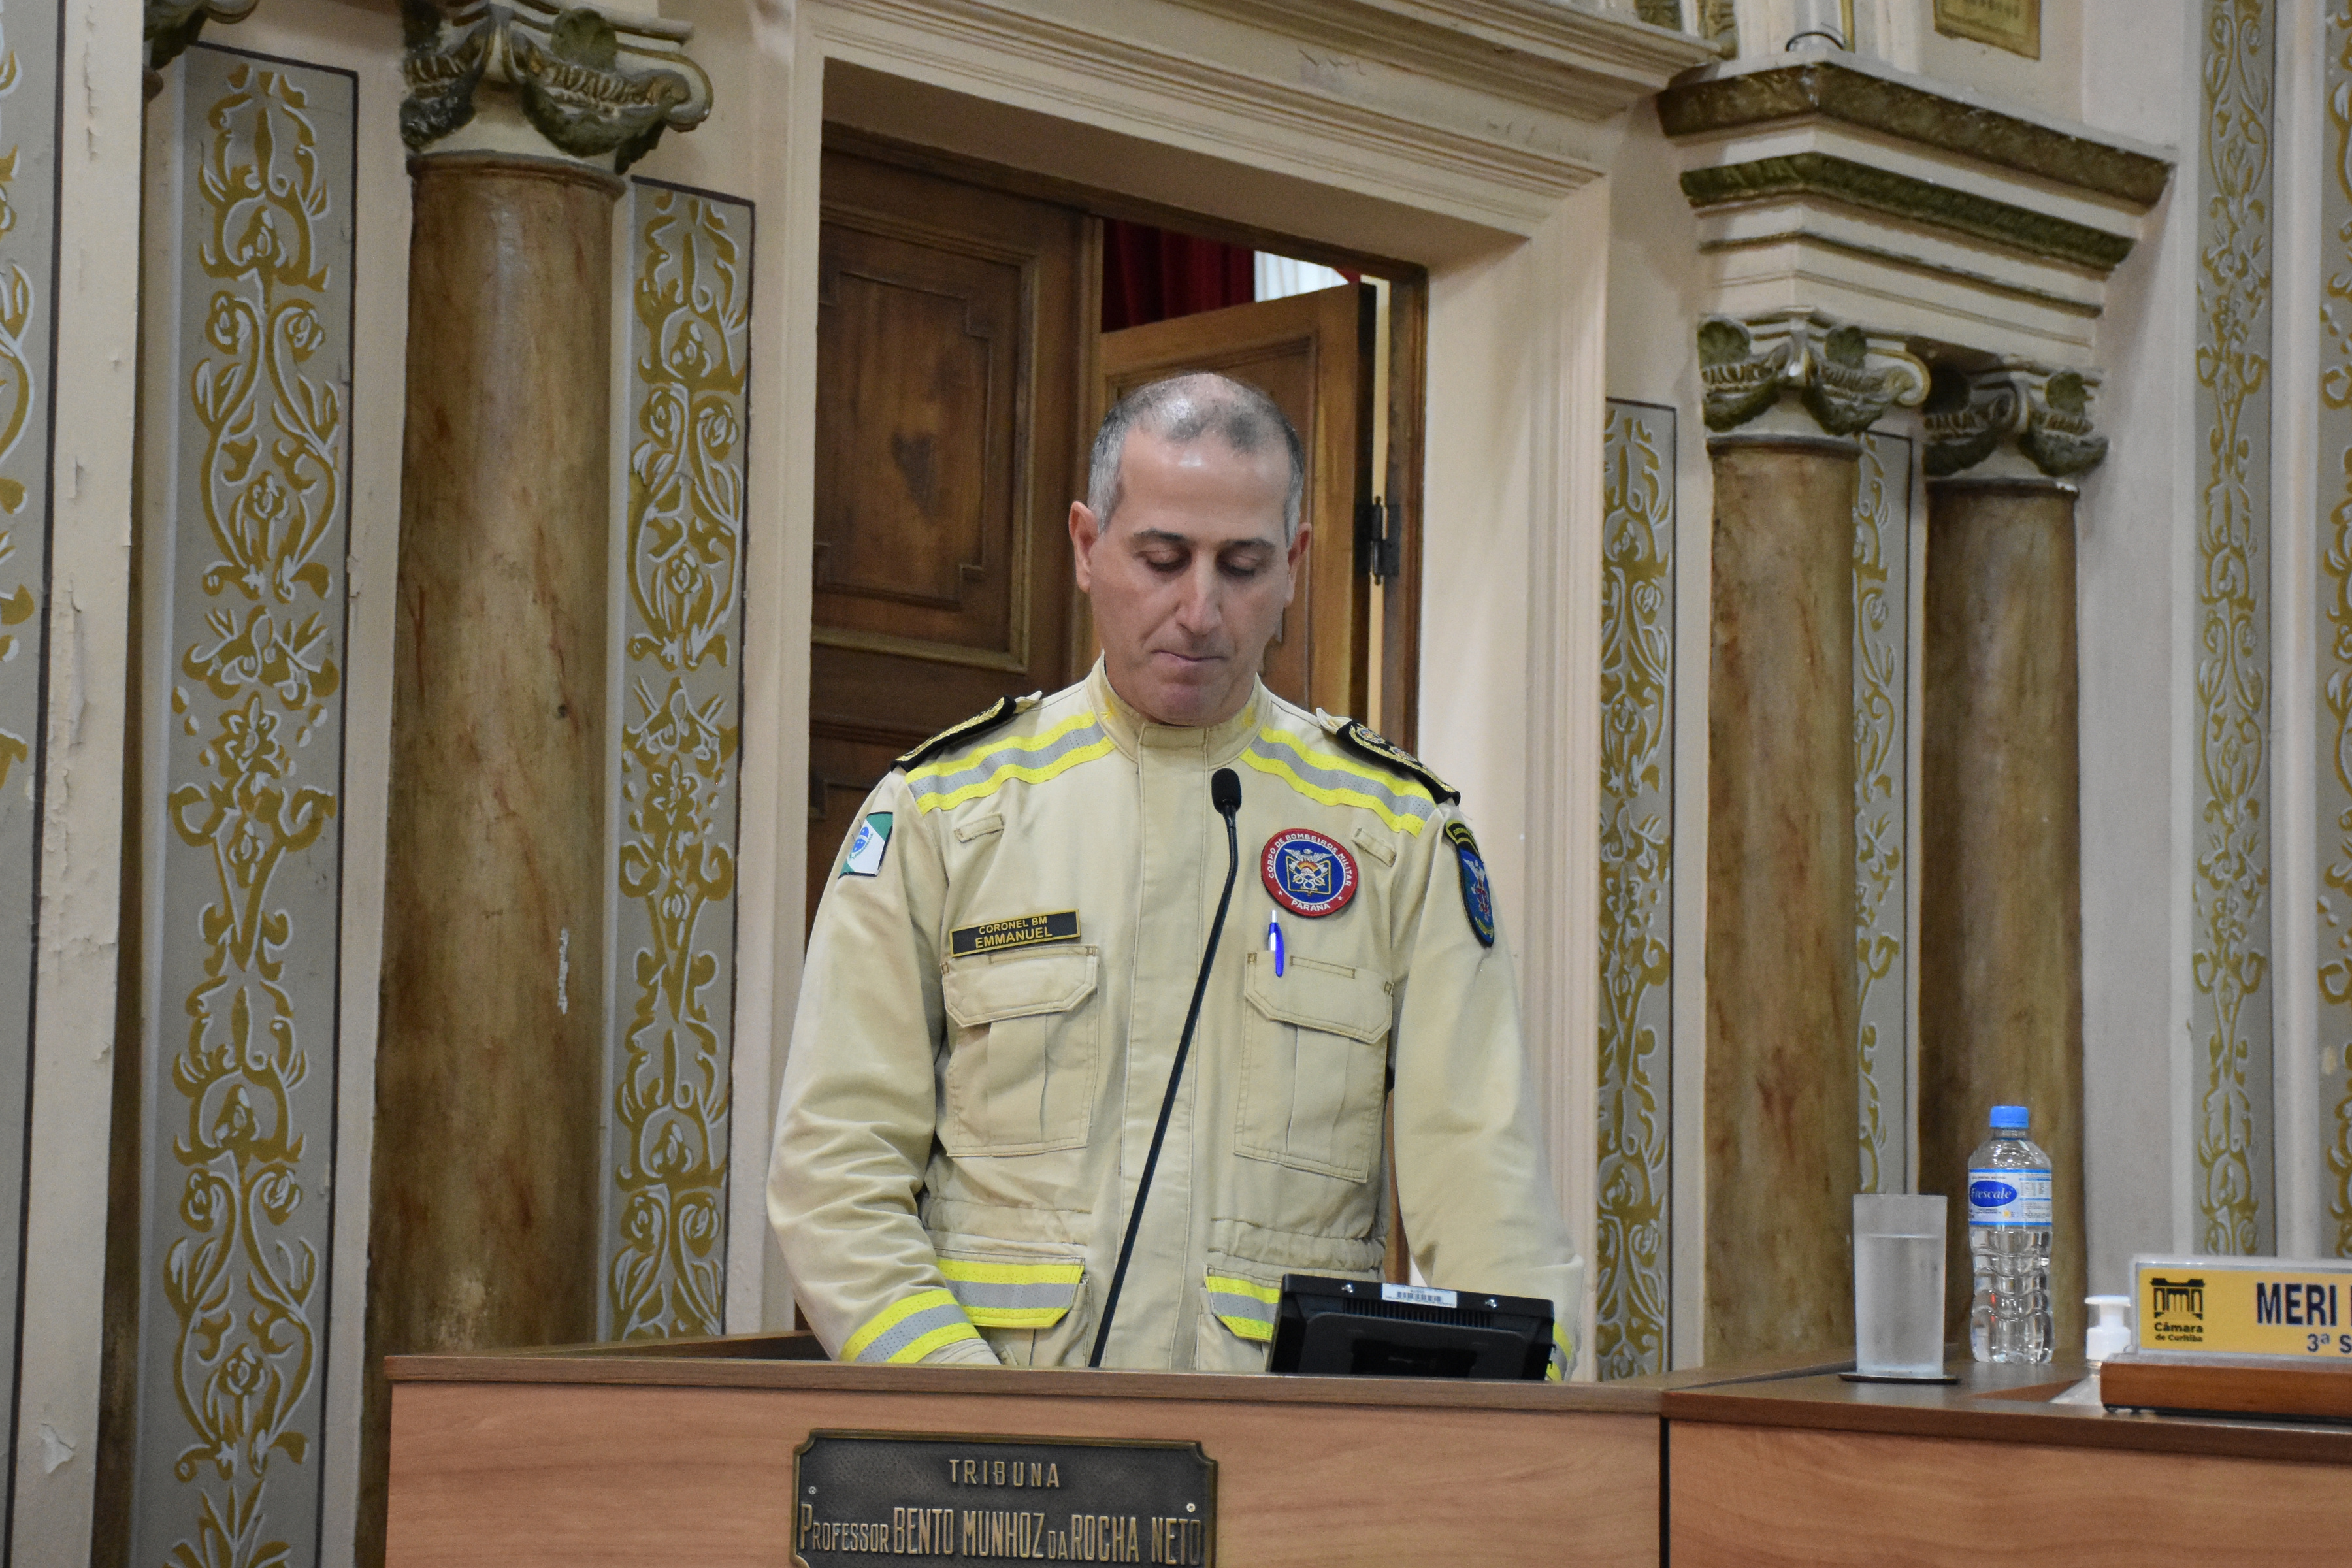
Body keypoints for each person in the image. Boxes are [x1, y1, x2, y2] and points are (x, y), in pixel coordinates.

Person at [767, 371, 1583, 1373]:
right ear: (1085, 546)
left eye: (1242, 567)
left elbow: (1487, 1196)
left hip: (1281, 1442)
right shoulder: (944, 811)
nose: (1200, 610)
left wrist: (1528, 1435)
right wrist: (967, 1411)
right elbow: (835, 1176)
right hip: (992, 1446)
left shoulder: (1395, 835)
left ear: (1294, 565)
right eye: (1162, 560)